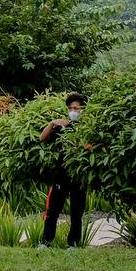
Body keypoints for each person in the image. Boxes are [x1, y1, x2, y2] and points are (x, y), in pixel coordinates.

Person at [38, 92, 87, 248]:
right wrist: (52, 123)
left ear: (84, 109)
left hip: (79, 176)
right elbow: (42, 138)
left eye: (76, 108)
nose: (73, 111)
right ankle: (45, 242)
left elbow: (89, 147)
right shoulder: (63, 127)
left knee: (76, 213)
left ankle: (73, 245)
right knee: (52, 211)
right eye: (70, 108)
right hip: (60, 176)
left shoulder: (88, 128)